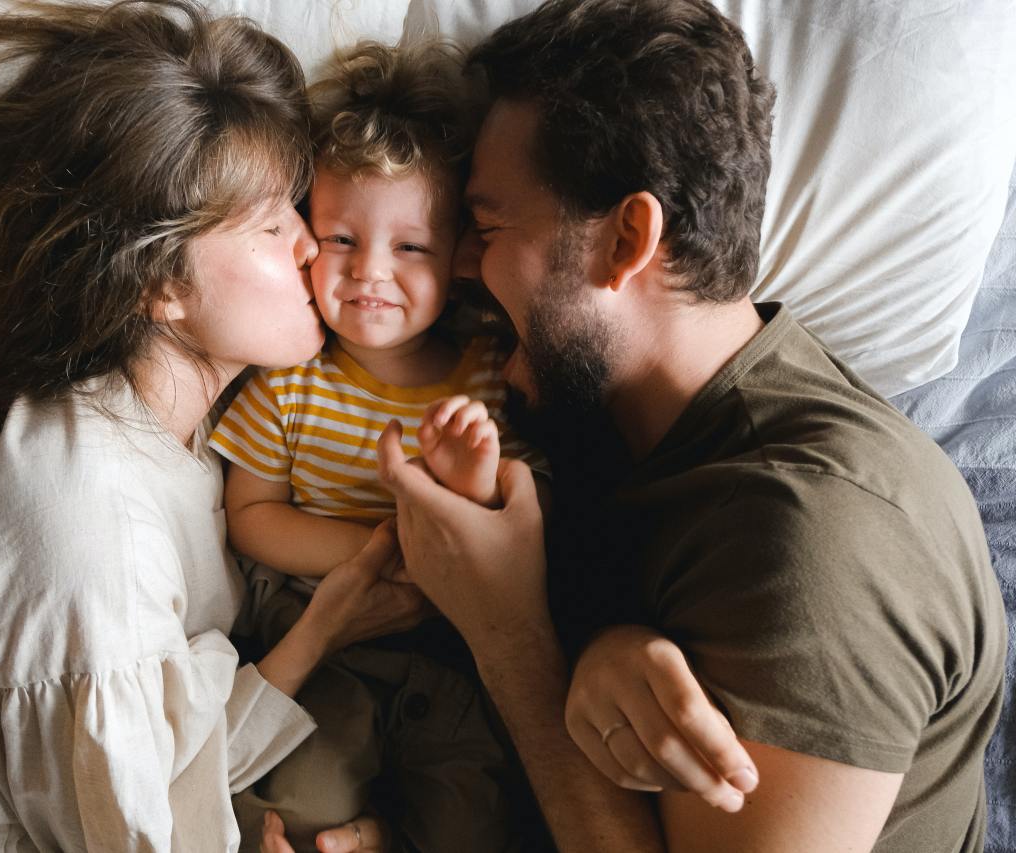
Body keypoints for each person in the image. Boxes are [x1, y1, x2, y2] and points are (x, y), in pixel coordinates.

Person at [0, 3, 433, 849]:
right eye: (270, 221)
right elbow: (135, 813)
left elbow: (161, 734)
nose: (310, 248)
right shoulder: (89, 550)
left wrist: (325, 626)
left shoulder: (162, 433)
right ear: (161, 287)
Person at [336, 0, 1004, 851]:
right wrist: (601, 653)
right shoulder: (616, 415)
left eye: (492, 225)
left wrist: (512, 638)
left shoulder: (820, 541)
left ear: (627, 240)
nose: (463, 262)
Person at [210, 40, 545, 852]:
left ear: (461, 258)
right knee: (292, 808)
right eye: (341, 239)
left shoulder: (488, 379)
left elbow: (517, 521)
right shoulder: (291, 380)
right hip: (326, 655)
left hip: (451, 659)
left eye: (410, 247)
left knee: (474, 821)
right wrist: (376, 548)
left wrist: (468, 482)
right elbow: (251, 514)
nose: (369, 273)